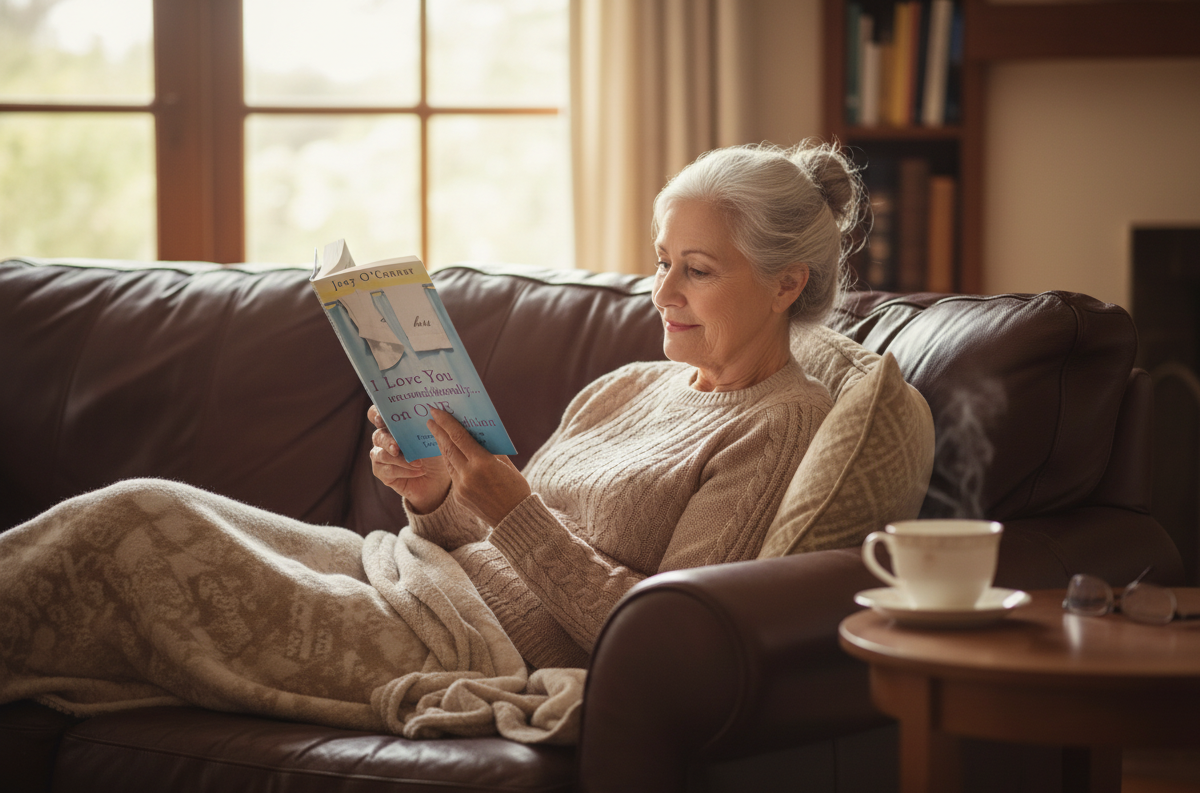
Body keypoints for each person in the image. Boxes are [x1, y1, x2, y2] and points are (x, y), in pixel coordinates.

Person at [0, 140, 866, 740]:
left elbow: (664, 637)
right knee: (148, 505)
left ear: (786, 282)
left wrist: (514, 509)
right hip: (409, 578)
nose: (661, 289)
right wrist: (437, 496)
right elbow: (495, 535)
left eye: (697, 269)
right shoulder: (628, 384)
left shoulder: (780, 423)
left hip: (461, 644)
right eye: (661, 259)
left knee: (134, 536)